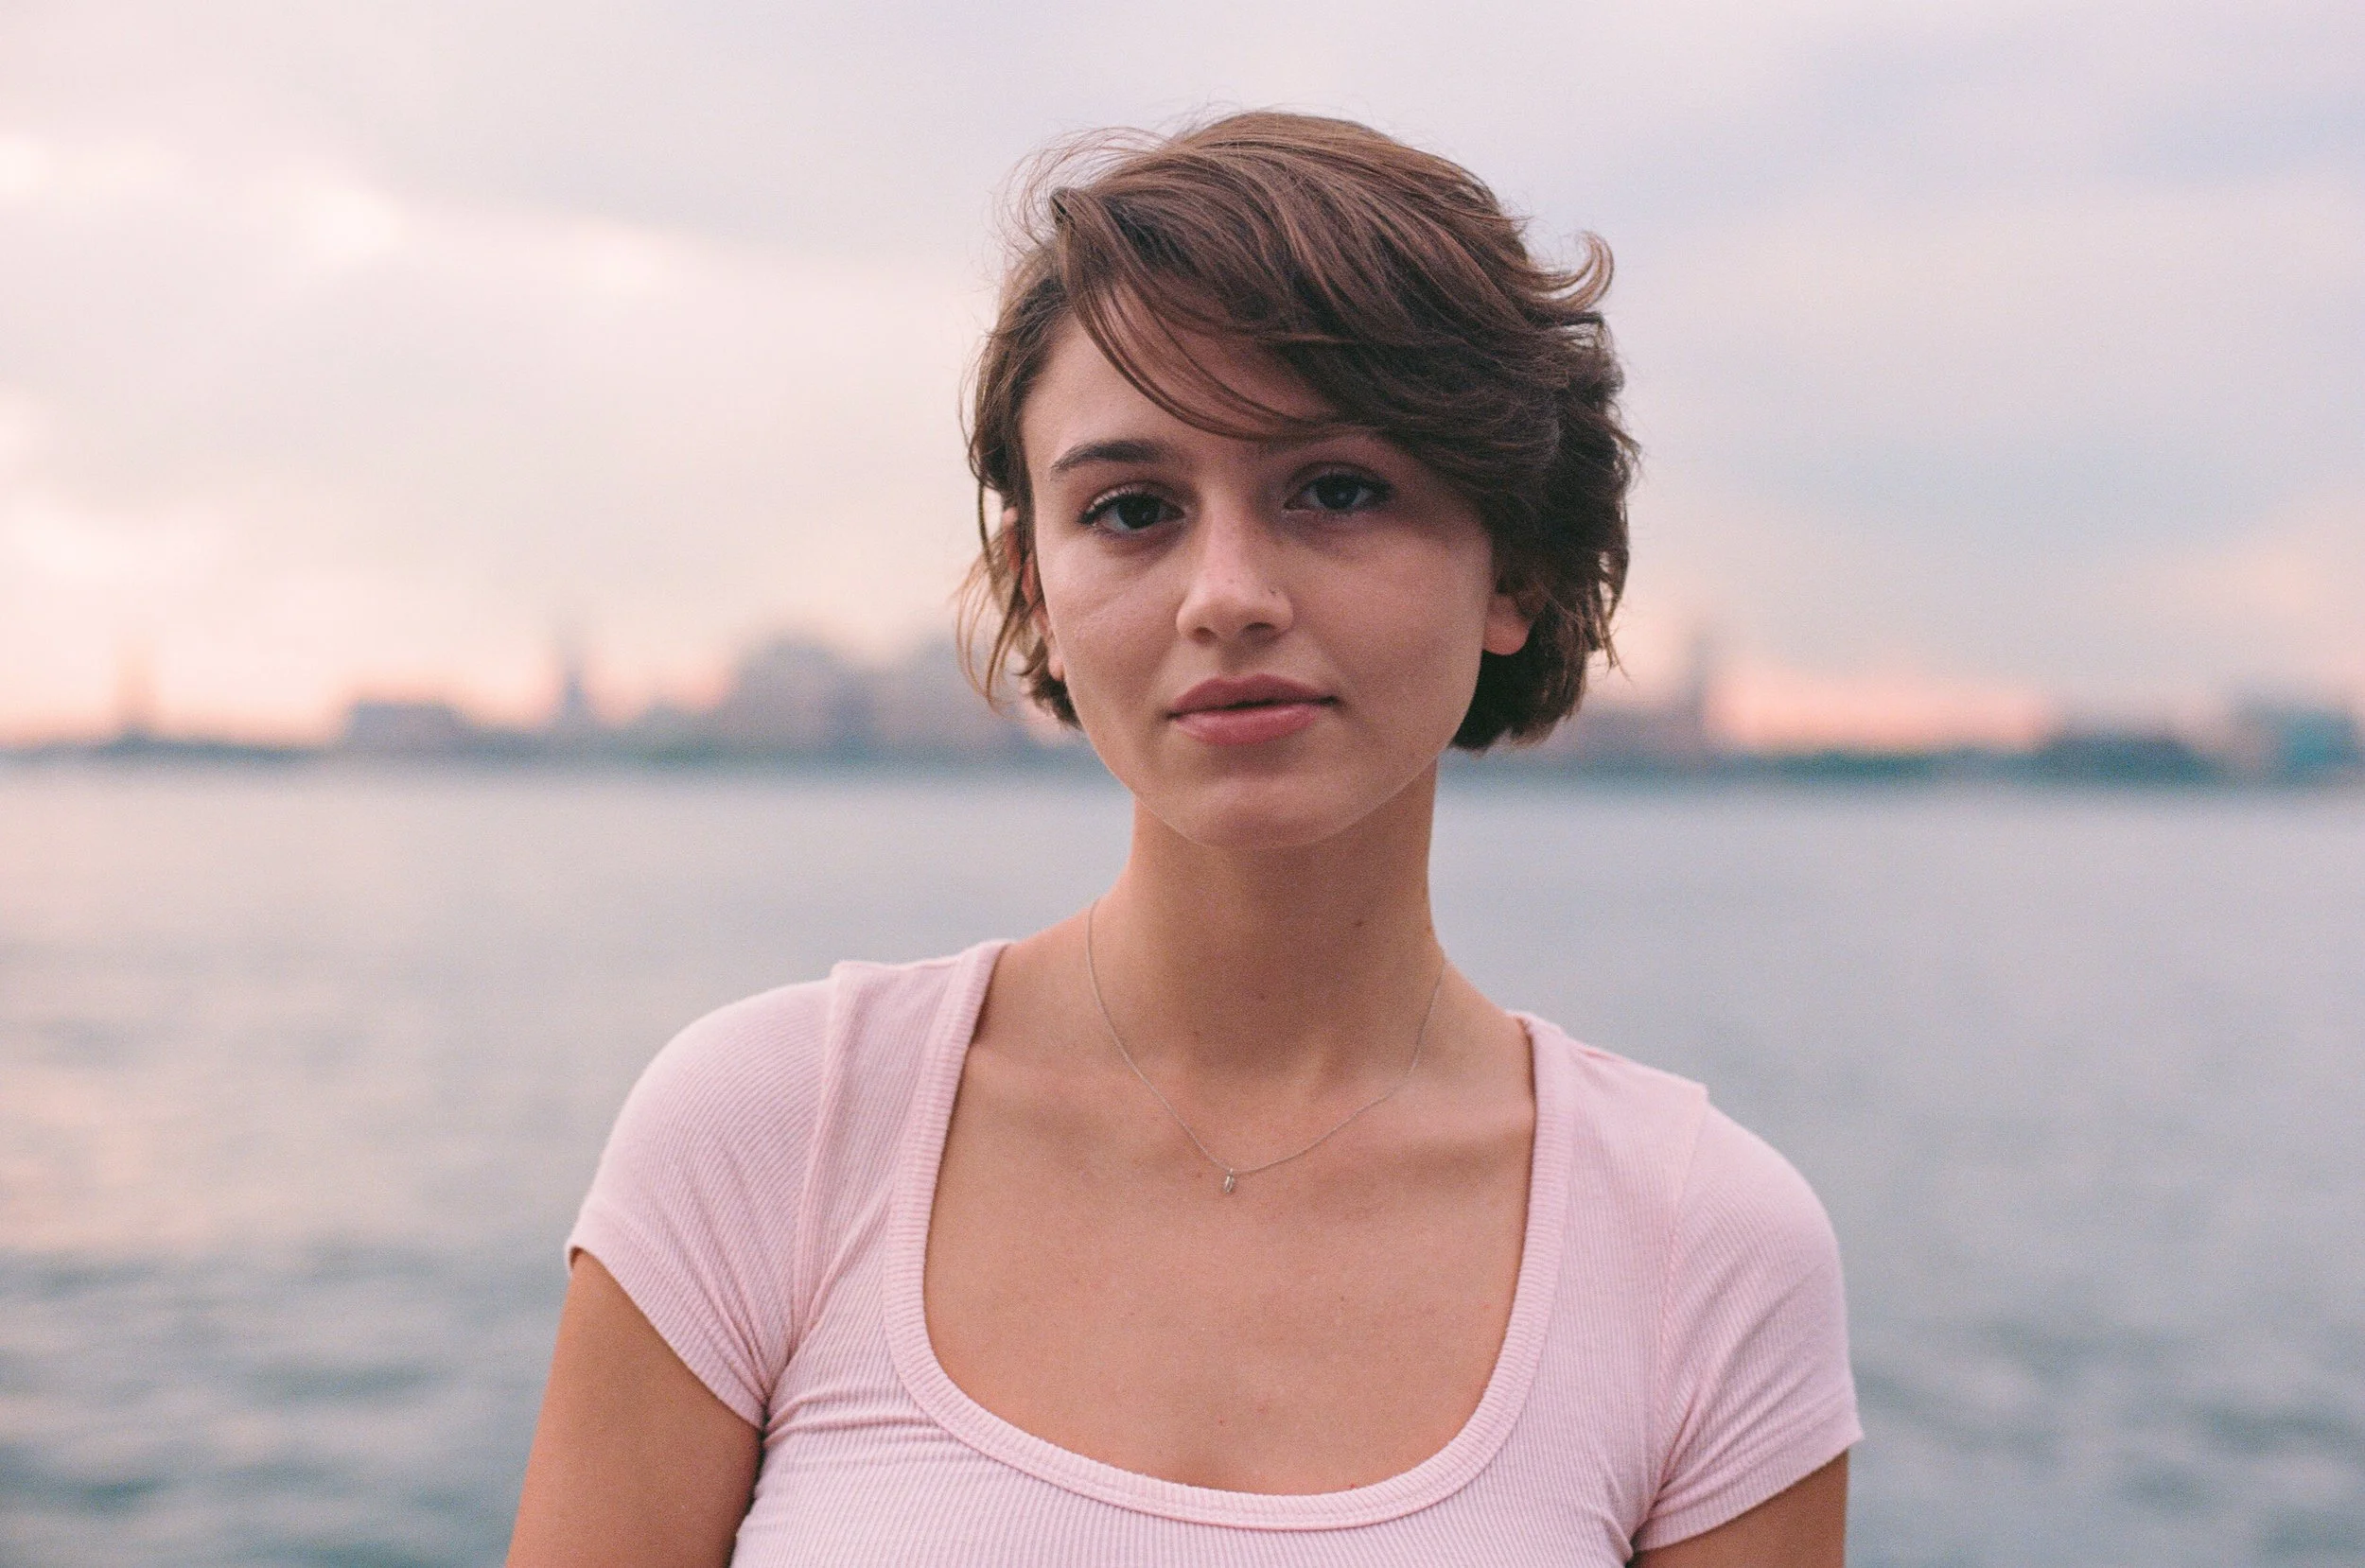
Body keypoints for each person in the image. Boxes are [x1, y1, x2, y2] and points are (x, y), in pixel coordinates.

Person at [509, 111, 1858, 1567]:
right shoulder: (771, 1131)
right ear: (1033, 585)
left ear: (1513, 566)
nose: (1226, 592)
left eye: (1337, 488)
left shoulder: (1699, 1252)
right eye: (1134, 508)